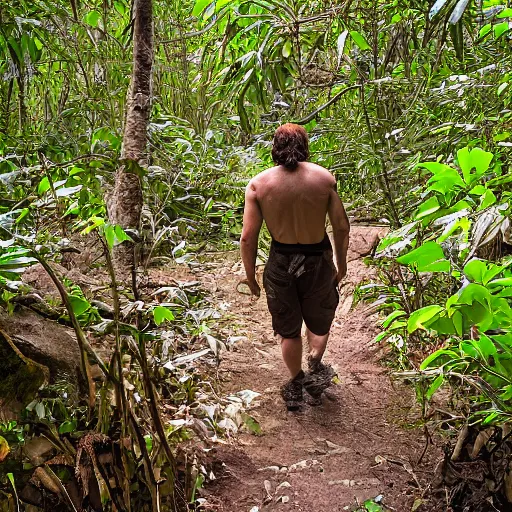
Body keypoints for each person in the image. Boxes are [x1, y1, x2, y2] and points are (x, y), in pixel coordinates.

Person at [240, 123, 350, 410]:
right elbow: (341, 227)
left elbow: (248, 237)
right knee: (319, 316)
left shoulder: (259, 184)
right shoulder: (324, 179)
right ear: (305, 146)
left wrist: (250, 276)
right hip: (318, 259)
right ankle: (315, 360)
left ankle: (296, 379)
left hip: (281, 262)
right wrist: (342, 263)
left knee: (288, 329)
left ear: (274, 148)